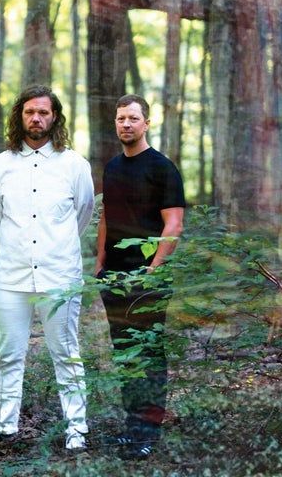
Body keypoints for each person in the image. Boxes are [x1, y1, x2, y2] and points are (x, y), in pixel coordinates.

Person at [0, 85, 95, 451]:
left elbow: (83, 213)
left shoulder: (75, 165)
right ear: (20, 116)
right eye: (30, 112)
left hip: (59, 276)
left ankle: (76, 428)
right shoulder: (0, 165)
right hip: (11, 276)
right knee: (9, 354)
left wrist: (54, 246)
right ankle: (3, 426)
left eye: (43, 112)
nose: (36, 118)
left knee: (66, 352)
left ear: (55, 117)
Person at [95, 94, 185, 460]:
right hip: (113, 278)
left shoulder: (162, 168)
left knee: (148, 353)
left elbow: (173, 223)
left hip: (148, 278)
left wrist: (153, 270)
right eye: (121, 119)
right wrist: (100, 265)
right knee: (125, 353)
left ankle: (148, 432)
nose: (126, 124)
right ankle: (132, 426)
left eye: (133, 118)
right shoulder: (113, 168)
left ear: (147, 123)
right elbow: (106, 218)